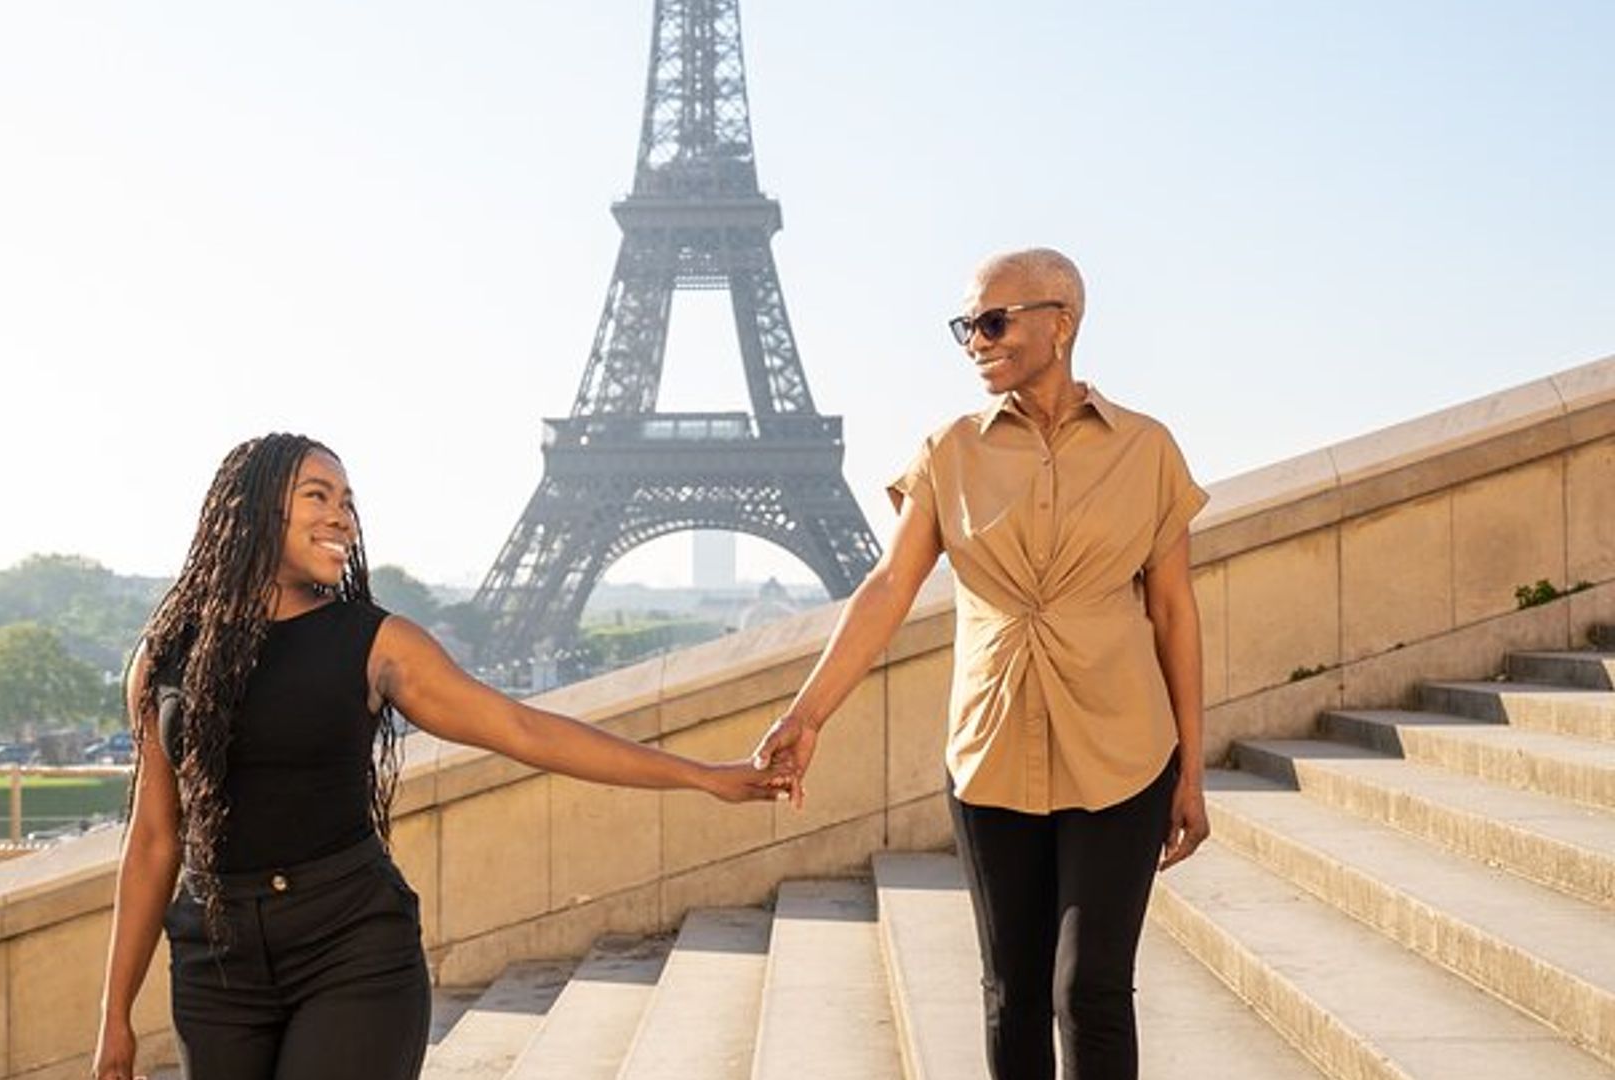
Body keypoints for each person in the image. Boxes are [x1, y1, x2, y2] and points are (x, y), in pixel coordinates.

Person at [94, 433, 786, 1080]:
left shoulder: (379, 644)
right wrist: (114, 1016)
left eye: (349, 502)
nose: (343, 517)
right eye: (318, 495)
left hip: (350, 946)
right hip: (215, 960)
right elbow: (155, 839)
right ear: (251, 510)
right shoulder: (164, 656)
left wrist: (703, 776)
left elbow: (525, 729)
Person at [751, 248, 1210, 1080]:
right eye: (966, 325)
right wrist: (807, 712)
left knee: (1093, 990)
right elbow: (888, 587)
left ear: (1060, 324)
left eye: (993, 321)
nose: (974, 340)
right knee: (1012, 993)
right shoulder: (948, 452)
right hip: (991, 752)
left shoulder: (1147, 449)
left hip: (1125, 752)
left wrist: (1192, 771)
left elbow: (1174, 611)